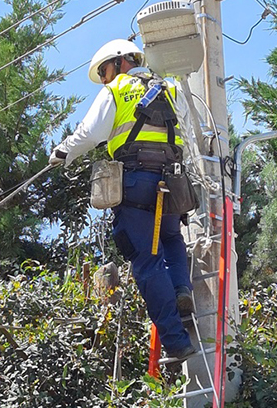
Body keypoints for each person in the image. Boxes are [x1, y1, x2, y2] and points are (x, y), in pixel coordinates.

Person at [49, 39, 196, 362]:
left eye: (104, 71)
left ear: (120, 63)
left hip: (136, 180)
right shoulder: (170, 88)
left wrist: (64, 152)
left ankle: (175, 341)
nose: (104, 78)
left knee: (145, 259)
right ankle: (180, 290)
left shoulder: (117, 89)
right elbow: (190, 133)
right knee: (171, 236)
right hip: (173, 180)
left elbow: (90, 133)